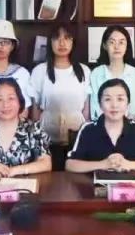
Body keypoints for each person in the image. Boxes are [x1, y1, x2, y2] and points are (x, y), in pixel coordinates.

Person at [66, 79, 135, 173]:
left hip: (132, 183)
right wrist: (104, 164)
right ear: (100, 104)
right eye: (107, 99)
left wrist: (128, 164)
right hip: (93, 183)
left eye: (120, 99)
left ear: (128, 103)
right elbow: (70, 164)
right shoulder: (88, 129)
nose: (114, 105)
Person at [30, 23, 90, 163]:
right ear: (50, 42)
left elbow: (86, 109)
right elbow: (35, 109)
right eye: (57, 38)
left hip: (77, 138)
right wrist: (36, 137)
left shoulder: (84, 71)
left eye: (67, 38)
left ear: (73, 41)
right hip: (46, 138)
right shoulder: (39, 71)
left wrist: (85, 135)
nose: (62, 43)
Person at [88, 25, 135, 121]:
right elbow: (95, 109)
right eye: (112, 42)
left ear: (127, 46)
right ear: (105, 45)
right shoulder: (96, 73)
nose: (117, 47)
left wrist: (124, 124)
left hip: (129, 126)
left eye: (121, 42)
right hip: (102, 126)